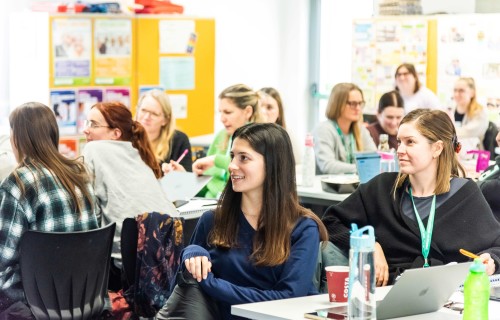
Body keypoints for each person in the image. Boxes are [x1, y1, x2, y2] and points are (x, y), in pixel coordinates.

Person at [158, 123, 328, 320]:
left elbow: (287, 299)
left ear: (273, 164)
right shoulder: (212, 220)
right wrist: (191, 252)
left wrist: (211, 283)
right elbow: (180, 290)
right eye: (232, 156)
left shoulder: (302, 228)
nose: (231, 165)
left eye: (244, 158)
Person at [322, 109, 500, 287]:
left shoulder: (464, 194)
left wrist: (491, 259)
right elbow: (329, 222)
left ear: (437, 148)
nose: (400, 150)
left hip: (447, 296)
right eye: (399, 142)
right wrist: (369, 245)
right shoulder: (382, 189)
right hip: (389, 295)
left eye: (410, 142)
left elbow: (496, 245)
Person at [0, 102, 98, 312]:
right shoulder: (80, 175)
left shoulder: (18, 184)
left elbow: (3, 258)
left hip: (34, 302)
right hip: (84, 297)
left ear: (17, 139)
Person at [82, 101, 177, 291]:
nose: (86, 130)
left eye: (93, 124)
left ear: (115, 133)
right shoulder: (139, 153)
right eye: (86, 123)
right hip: (164, 260)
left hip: (123, 267)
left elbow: (90, 214)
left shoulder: (94, 149)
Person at [192, 84, 261, 198]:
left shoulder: (257, 138)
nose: (222, 119)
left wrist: (215, 160)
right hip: (209, 203)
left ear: (247, 112)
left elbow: (243, 169)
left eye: (228, 112)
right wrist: (189, 178)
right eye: (220, 112)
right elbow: (209, 183)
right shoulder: (222, 135)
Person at [313, 82, 376, 174]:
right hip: (329, 187)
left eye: (360, 103)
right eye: (353, 103)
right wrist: (361, 168)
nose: (358, 108)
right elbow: (327, 165)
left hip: (354, 185)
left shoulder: (361, 130)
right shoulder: (323, 129)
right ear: (338, 105)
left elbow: (373, 160)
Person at [136, 89, 192, 172]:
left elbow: (187, 179)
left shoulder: (179, 141)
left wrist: (180, 174)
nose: (146, 117)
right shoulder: (125, 137)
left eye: (154, 114)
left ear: (165, 120)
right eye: (143, 110)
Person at [258, 87, 302, 164]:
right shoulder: (247, 137)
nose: (263, 112)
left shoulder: (287, 136)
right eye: (259, 107)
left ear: (279, 113)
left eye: (269, 107)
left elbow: (298, 166)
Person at [451, 77, 488, 143]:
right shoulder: (451, 110)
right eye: (455, 90)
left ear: (472, 93)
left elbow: (468, 133)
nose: (456, 94)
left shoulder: (480, 112)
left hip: (474, 152)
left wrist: (444, 132)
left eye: (461, 91)